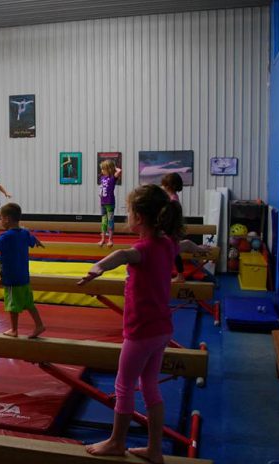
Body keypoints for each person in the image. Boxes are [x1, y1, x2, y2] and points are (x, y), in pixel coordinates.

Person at [78, 184, 210, 463]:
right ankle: (154, 449)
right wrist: (198, 248)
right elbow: (185, 245)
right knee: (150, 385)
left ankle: (117, 442)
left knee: (124, 385)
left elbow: (122, 256)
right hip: (162, 329)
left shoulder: (143, 249)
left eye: (128, 211)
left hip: (140, 332)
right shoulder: (168, 244)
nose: (127, 216)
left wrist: (98, 267)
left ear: (138, 217)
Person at [0, 202, 46, 338]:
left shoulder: (7, 236)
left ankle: (14, 330)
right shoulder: (24, 232)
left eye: (0, 218)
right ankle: (39, 325)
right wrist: (37, 242)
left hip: (12, 277)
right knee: (29, 303)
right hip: (24, 276)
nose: (0, 221)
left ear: (7, 219)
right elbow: (32, 239)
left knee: (12, 304)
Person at [161, 172, 186, 282]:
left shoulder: (172, 200)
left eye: (164, 185)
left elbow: (171, 216)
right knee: (174, 252)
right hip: (172, 228)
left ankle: (179, 275)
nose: (162, 187)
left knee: (172, 252)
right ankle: (179, 275)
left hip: (170, 229)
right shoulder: (172, 197)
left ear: (169, 186)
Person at [98, 159, 123, 247]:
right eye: (102, 169)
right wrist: (100, 193)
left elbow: (119, 171)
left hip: (110, 202)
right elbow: (102, 188)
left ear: (108, 169)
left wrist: (113, 167)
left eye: (103, 169)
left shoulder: (113, 178)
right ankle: (102, 239)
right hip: (103, 202)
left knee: (110, 221)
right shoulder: (102, 178)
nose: (102, 171)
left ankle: (110, 240)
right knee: (104, 221)